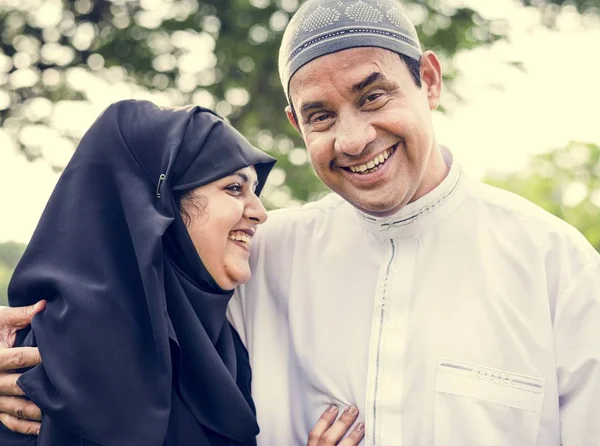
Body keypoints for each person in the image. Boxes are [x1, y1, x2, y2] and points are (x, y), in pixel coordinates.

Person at [2, 0, 600, 444]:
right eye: (320, 115)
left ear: (429, 81)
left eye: (374, 96)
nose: (354, 138)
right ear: (295, 123)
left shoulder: (555, 266)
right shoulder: (264, 257)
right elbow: (129, 306)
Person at [0, 99, 365, 445]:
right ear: (161, 207)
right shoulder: (41, 362)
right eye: (234, 188)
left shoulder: (226, 348)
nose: (260, 212)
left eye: (255, 191)